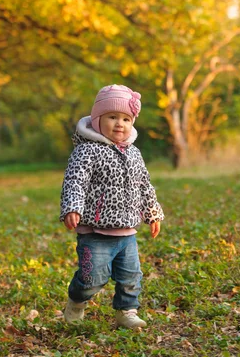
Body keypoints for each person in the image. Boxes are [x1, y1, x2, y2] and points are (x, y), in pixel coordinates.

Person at [60, 84, 165, 329]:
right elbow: (75, 181)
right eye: (112, 117)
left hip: (127, 231)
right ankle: (78, 298)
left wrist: (152, 213)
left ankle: (126, 311)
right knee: (91, 278)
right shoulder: (87, 151)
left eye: (126, 119)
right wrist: (72, 208)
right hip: (94, 232)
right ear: (97, 120)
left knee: (131, 277)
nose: (120, 123)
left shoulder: (134, 153)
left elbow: (144, 185)